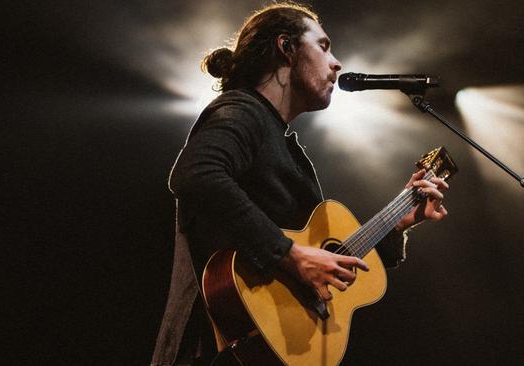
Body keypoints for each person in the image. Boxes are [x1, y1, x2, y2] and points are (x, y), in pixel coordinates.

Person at [151, 3, 449, 365]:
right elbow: (196, 173)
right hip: (213, 349)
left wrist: (399, 219)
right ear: (286, 48)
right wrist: (290, 256)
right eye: (323, 47)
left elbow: (326, 258)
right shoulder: (241, 111)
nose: (336, 62)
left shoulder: (281, 141)